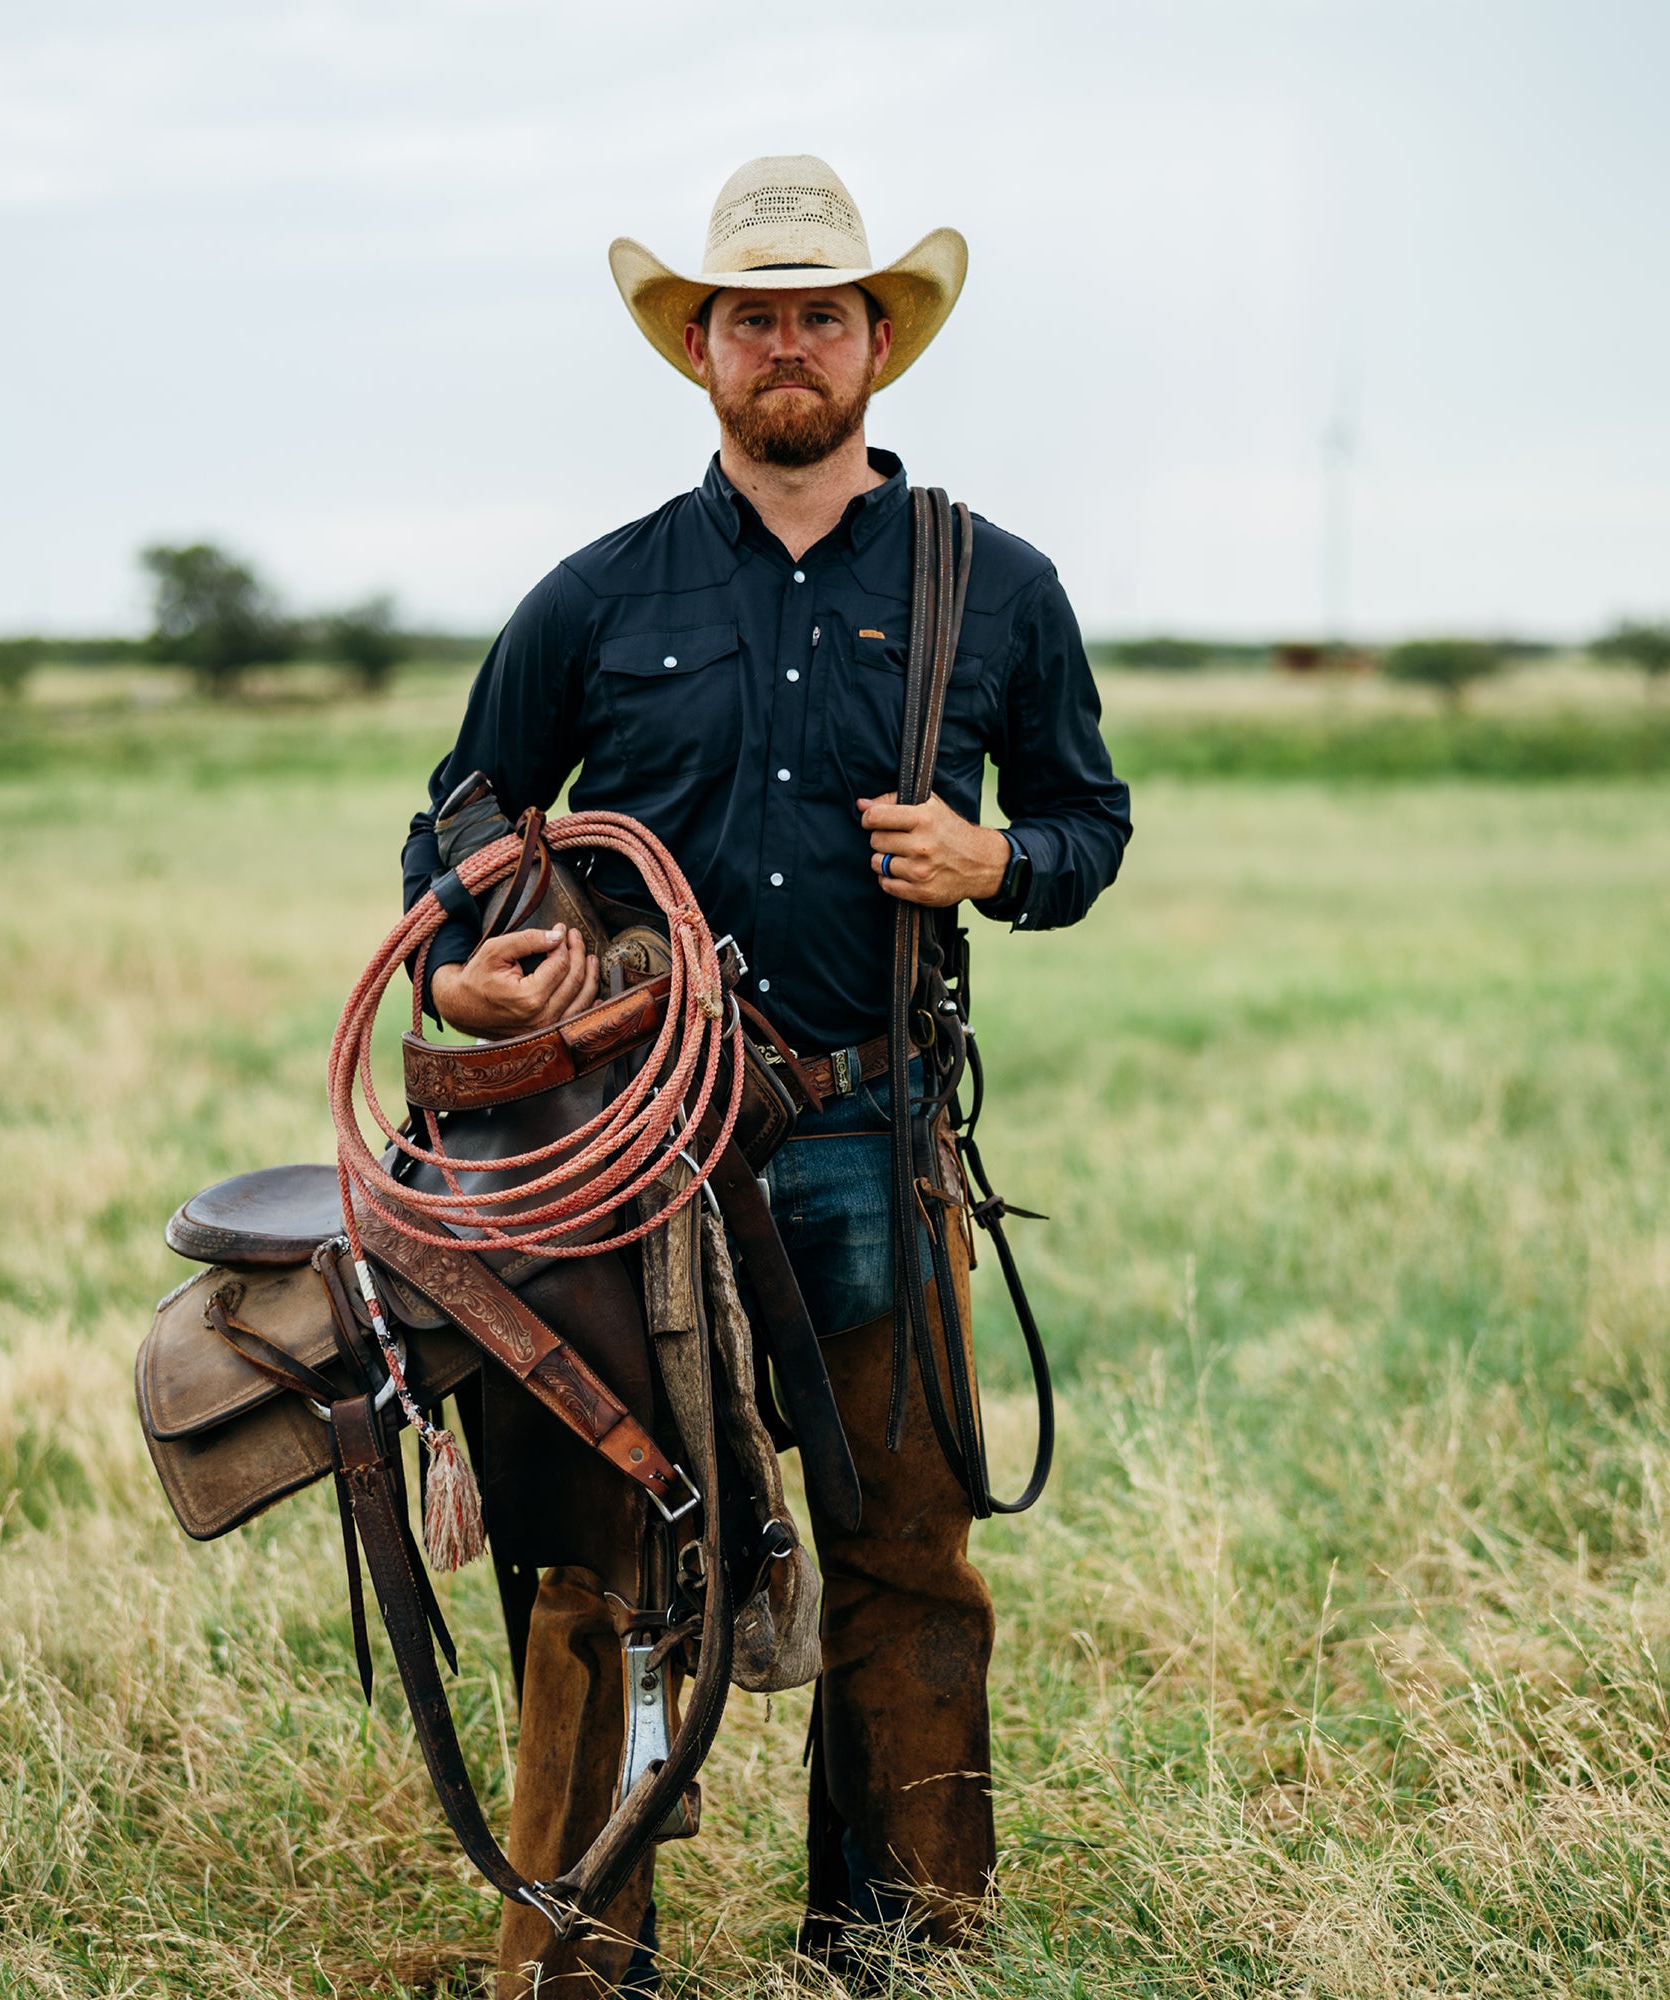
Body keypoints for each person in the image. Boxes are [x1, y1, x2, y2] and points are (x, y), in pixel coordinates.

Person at [399, 155, 1131, 1994]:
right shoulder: (598, 594)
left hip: (875, 1136)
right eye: (753, 317)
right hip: (634, 1152)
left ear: (879, 342)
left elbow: (1085, 822)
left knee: (909, 1568)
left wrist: (1000, 867)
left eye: (822, 313)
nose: (788, 345)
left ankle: (897, 1952)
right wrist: (469, 962)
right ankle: (578, 1955)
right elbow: (457, 828)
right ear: (699, 351)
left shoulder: (999, 587)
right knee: (597, 1568)